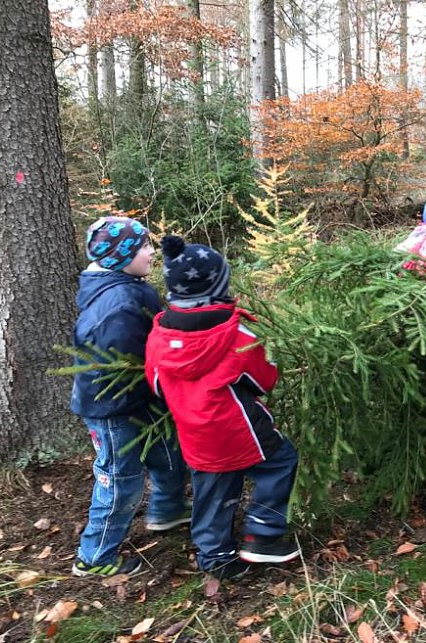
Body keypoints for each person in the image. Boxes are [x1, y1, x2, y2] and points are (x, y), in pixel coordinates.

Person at [144, 235, 300, 581]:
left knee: (212, 490)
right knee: (280, 462)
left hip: (194, 434)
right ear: (219, 286)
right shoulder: (238, 335)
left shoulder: (158, 339)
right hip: (239, 429)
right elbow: (264, 380)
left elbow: (155, 384)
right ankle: (262, 534)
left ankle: (215, 556)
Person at [72, 216, 189, 578]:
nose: (152, 252)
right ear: (119, 256)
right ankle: (95, 556)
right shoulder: (119, 303)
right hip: (114, 407)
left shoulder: (126, 286)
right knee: (120, 478)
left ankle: (168, 510)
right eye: (143, 247)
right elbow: (127, 360)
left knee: (168, 450)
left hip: (143, 399)